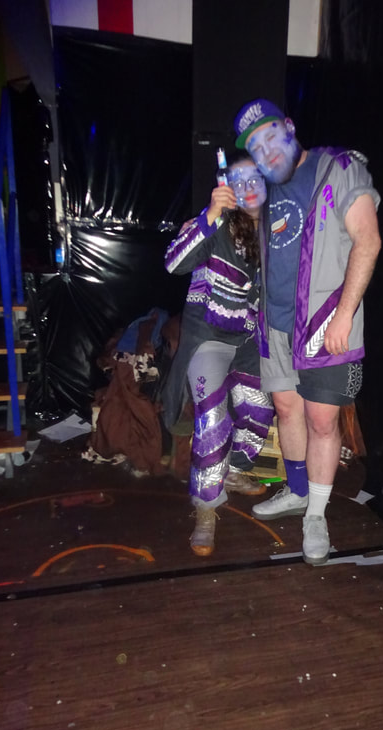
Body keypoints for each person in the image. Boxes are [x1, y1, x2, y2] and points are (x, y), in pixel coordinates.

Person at [233, 98, 382, 565]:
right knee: (286, 410)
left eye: (270, 136)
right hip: (276, 326)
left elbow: (368, 240)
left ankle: (315, 516)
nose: (266, 151)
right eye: (256, 147)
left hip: (324, 326)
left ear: (290, 127)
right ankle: (297, 490)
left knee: (322, 422)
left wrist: (345, 315)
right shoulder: (267, 189)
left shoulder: (338, 168)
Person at [163, 154, 274, 557]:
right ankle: (206, 507)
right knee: (212, 421)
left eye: (254, 177)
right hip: (208, 337)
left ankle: (233, 470)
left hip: (247, 340)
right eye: (237, 179)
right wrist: (209, 215)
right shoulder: (215, 224)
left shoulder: (275, 231)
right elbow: (174, 264)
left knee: (260, 408)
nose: (247, 186)